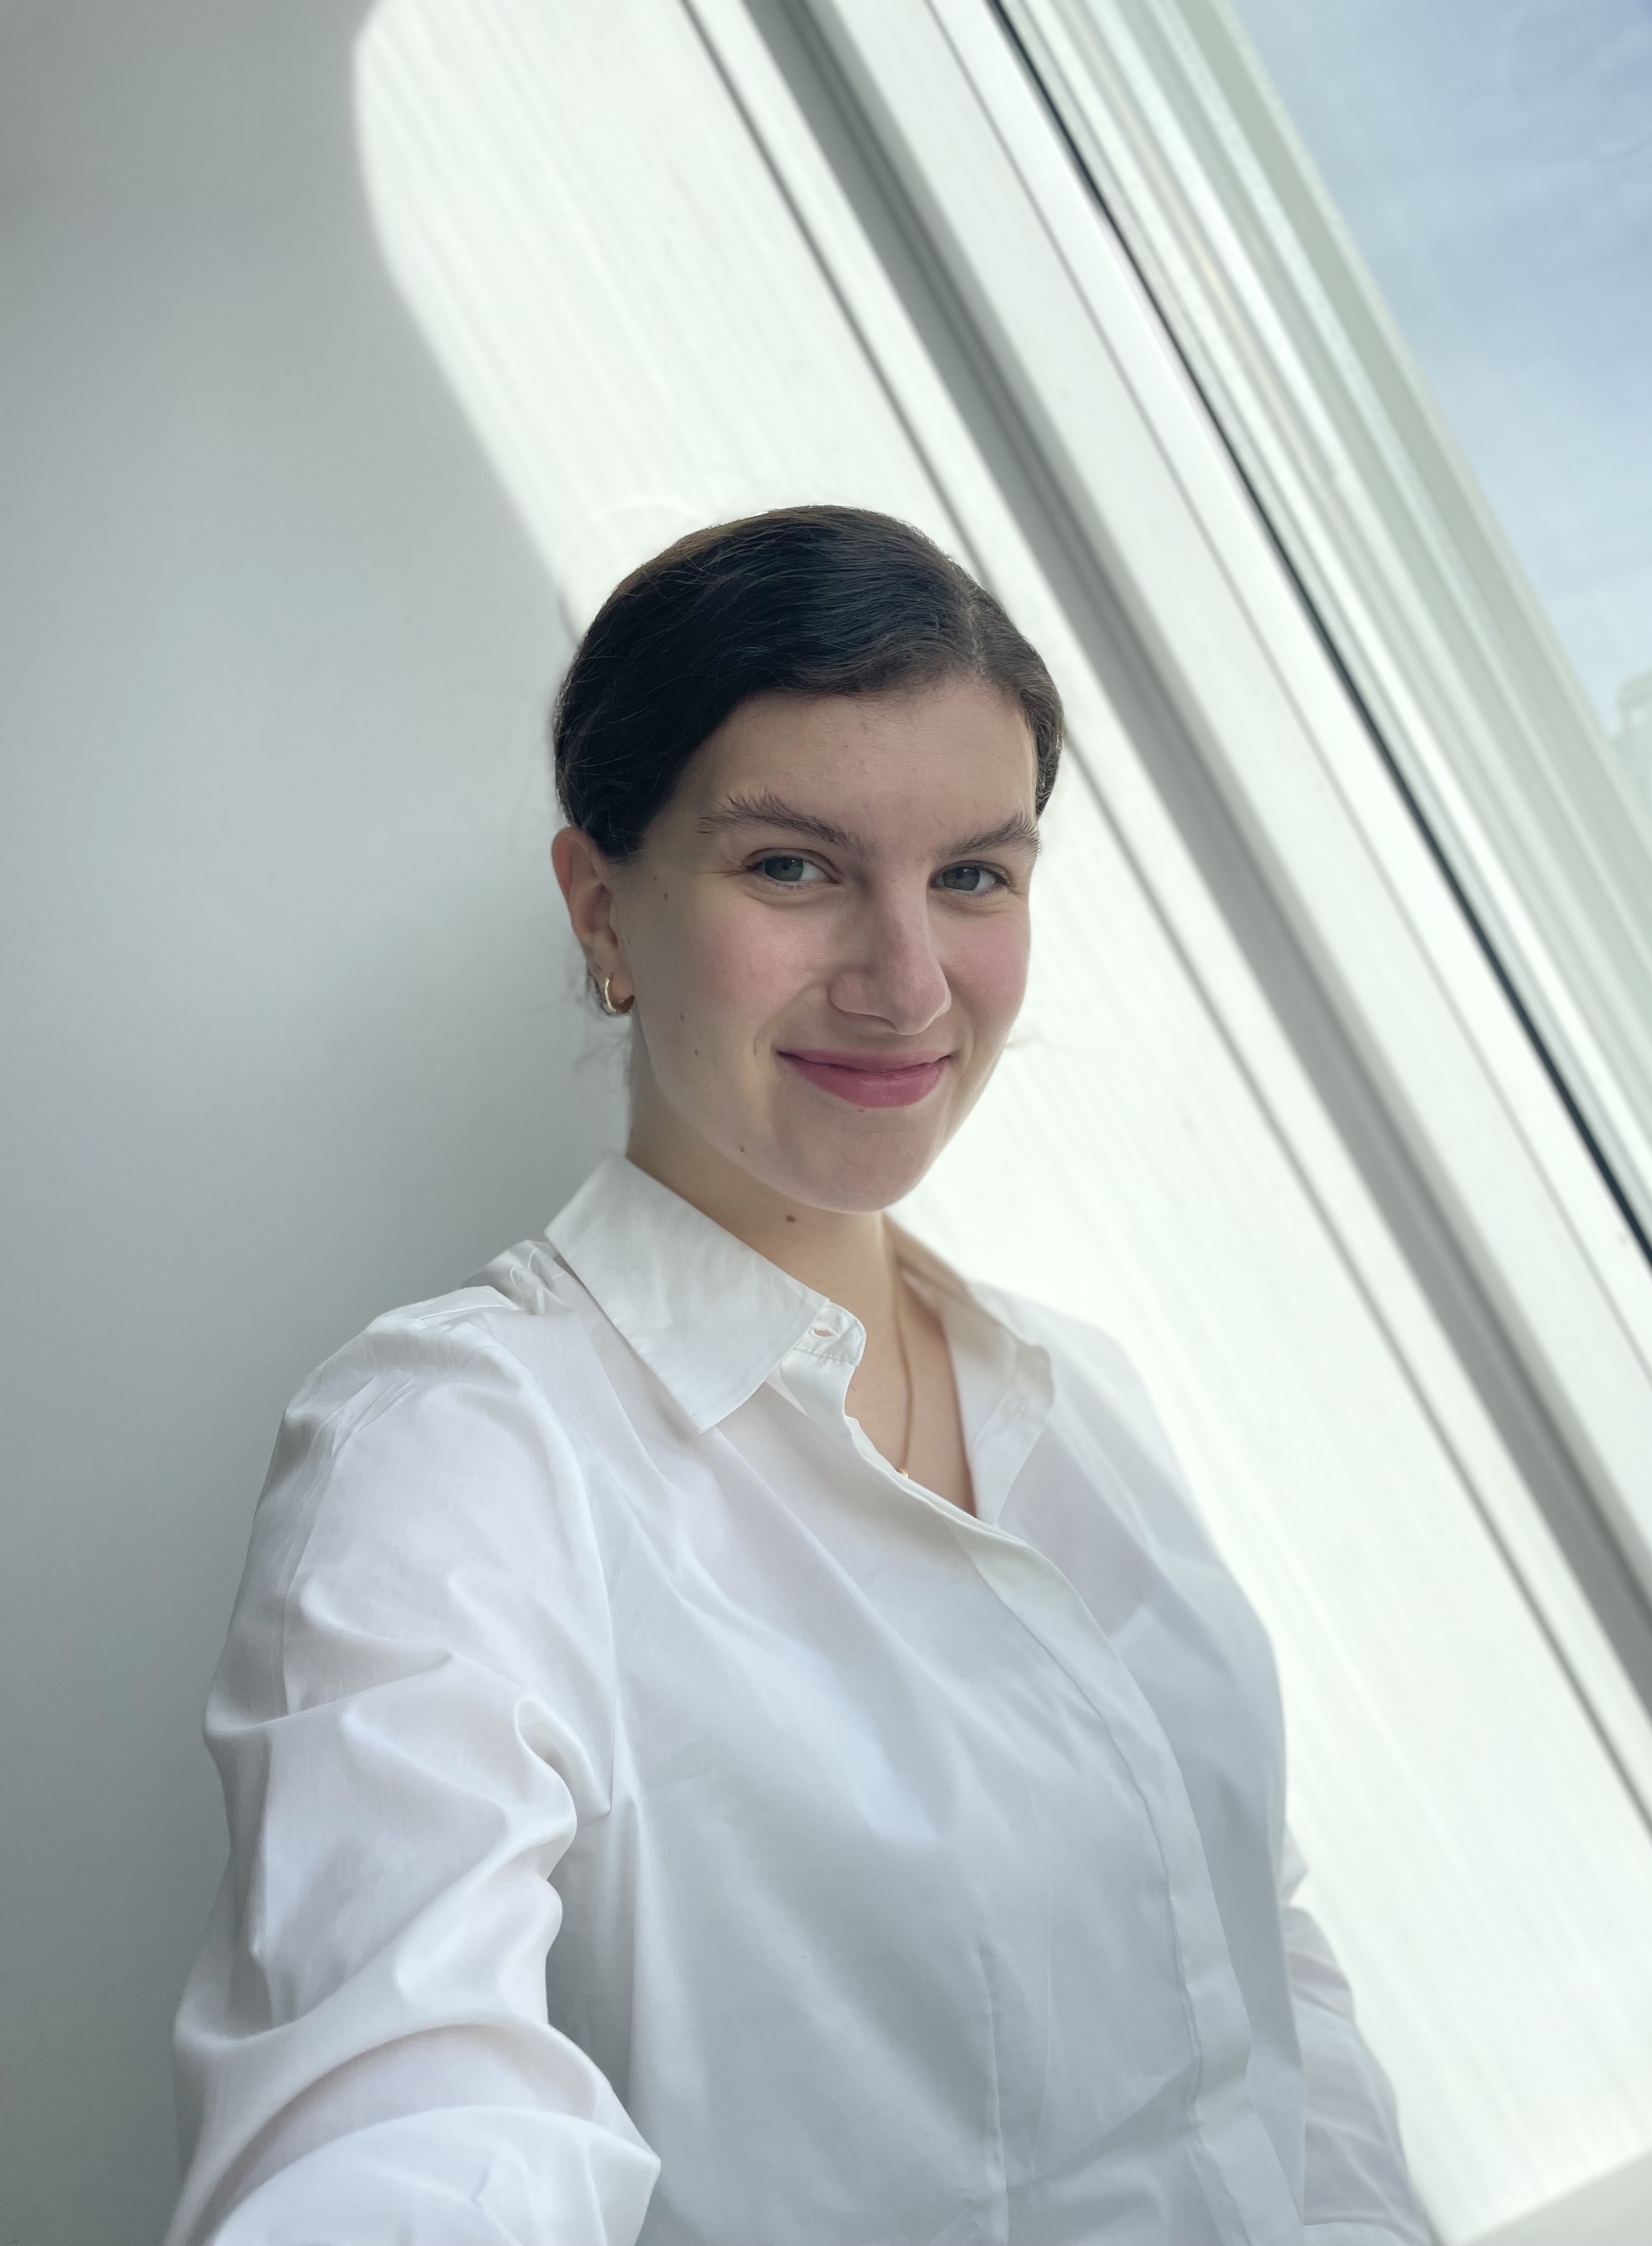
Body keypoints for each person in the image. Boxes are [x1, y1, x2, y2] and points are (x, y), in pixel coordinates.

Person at [167, 506, 1428, 2245]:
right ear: (602, 909)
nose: (908, 985)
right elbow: (401, 2108)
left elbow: (1264, 1967)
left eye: (973, 876)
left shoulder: (1081, 1395)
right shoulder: (457, 1458)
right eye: (792, 868)